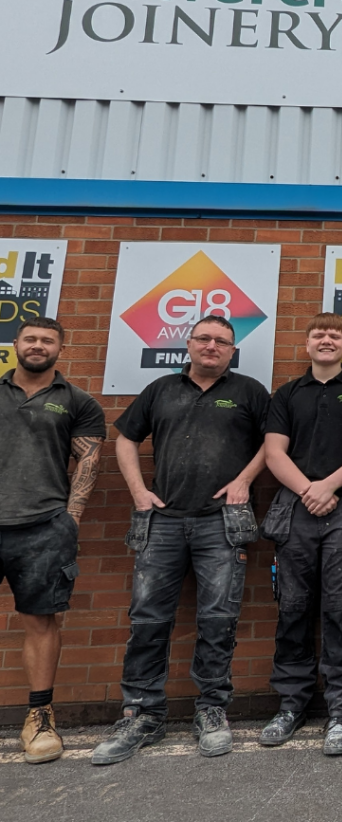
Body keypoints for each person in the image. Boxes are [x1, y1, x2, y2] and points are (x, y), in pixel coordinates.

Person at [92, 315, 269, 765]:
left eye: (221, 341)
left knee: (219, 618)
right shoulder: (160, 390)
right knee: (148, 619)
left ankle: (212, 710)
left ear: (233, 351)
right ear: (188, 345)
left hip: (222, 522)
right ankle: (142, 715)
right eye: (204, 339)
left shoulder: (249, 391)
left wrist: (244, 480)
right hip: (163, 521)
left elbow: (274, 443)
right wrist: (138, 492)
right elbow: (126, 440)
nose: (212, 346)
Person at [258, 314, 342, 755]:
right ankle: (292, 703)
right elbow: (274, 451)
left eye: (335, 335)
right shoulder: (287, 394)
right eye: (318, 334)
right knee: (292, 607)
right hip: (297, 508)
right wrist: (309, 489)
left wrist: (330, 486)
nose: (326, 340)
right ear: (306, 344)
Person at [0, 318, 105, 764]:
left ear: (62, 348)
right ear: (16, 345)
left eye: (47, 340)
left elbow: (88, 460)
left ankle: (40, 717)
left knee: (42, 622)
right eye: (31, 339)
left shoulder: (78, 402)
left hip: (43, 527)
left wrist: (71, 517)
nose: (38, 346)